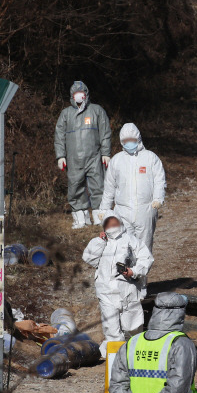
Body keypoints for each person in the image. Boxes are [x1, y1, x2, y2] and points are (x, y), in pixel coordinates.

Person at [83, 210, 153, 358]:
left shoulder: (131, 240)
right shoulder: (101, 241)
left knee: (132, 324)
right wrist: (99, 242)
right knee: (111, 327)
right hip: (106, 290)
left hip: (128, 289)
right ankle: (116, 358)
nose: (112, 226)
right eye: (108, 223)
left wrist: (133, 272)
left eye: (114, 222)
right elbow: (89, 258)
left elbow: (146, 258)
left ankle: (134, 352)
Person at [100, 123, 166, 253]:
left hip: (145, 210)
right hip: (122, 211)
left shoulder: (150, 158)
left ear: (138, 139)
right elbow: (109, 187)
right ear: (121, 141)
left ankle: (141, 273)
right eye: (126, 141)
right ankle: (125, 272)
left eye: (132, 140)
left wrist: (158, 198)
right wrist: (104, 209)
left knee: (144, 247)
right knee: (123, 246)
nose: (129, 143)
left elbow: (160, 180)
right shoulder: (116, 161)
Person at [55, 81, 112, 229]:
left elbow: (105, 133)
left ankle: (100, 216)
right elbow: (59, 135)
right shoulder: (66, 114)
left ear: (86, 94)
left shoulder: (96, 110)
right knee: (75, 187)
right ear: (72, 96)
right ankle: (81, 218)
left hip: (94, 156)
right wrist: (60, 155)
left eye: (82, 93)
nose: (80, 96)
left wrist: (106, 153)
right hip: (74, 159)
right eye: (76, 94)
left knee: (98, 185)